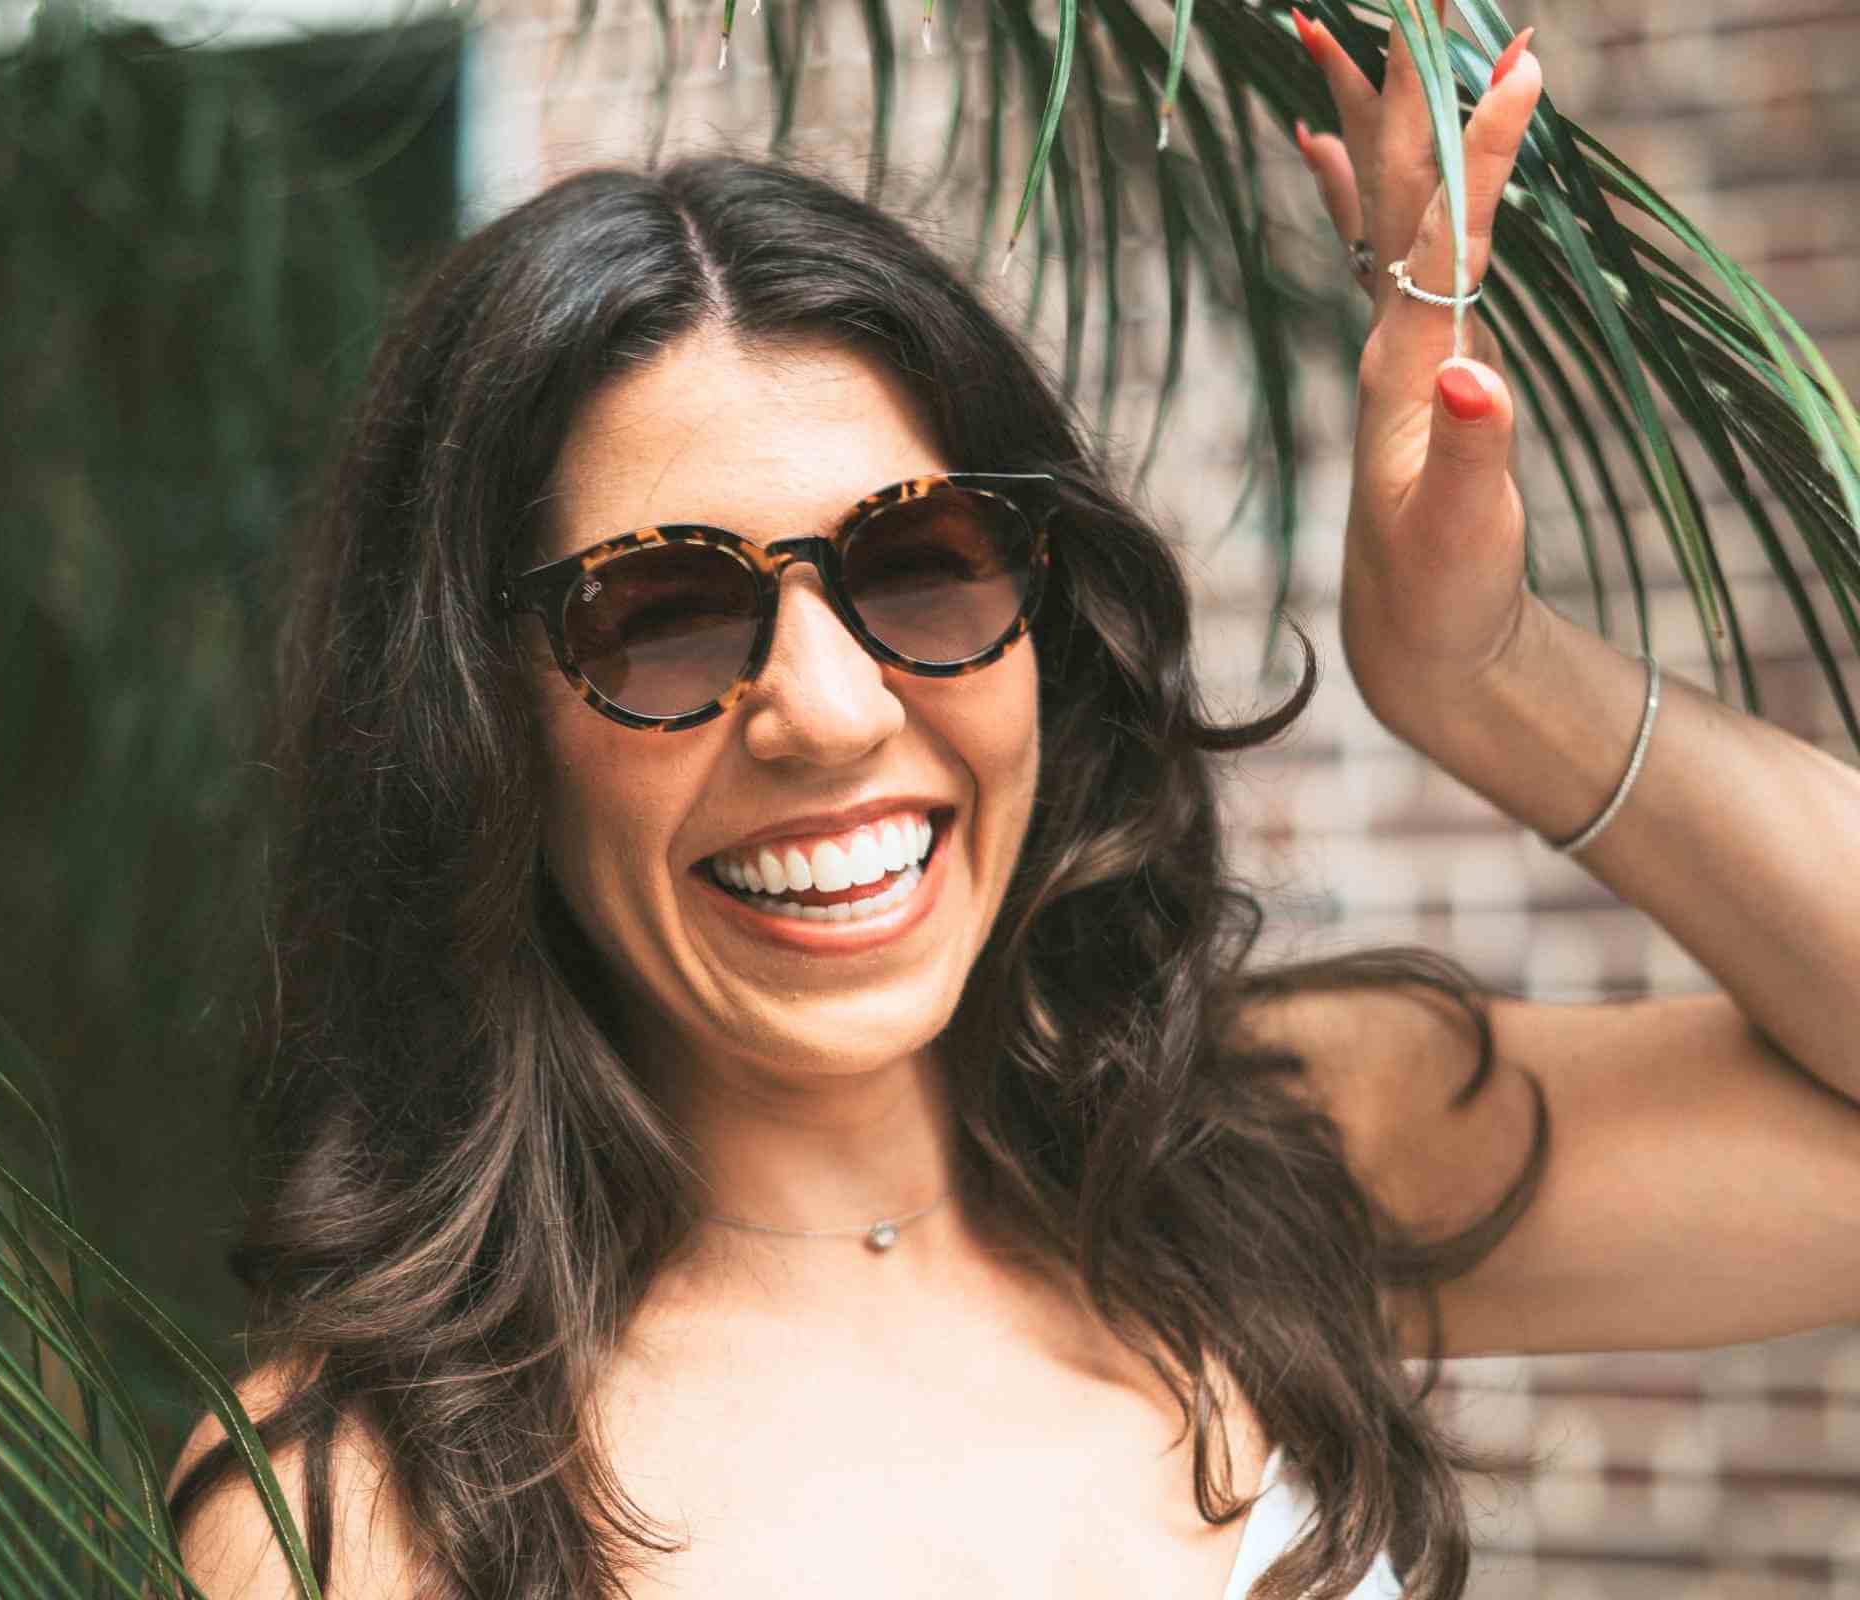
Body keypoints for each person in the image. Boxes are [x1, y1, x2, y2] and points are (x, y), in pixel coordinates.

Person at [166, 20, 1860, 1599]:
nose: (830, 713)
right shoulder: (363, 1505)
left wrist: (1482, 673)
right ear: (479, 729)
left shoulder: (1255, 1167)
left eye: (918, 565)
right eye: (661, 613)